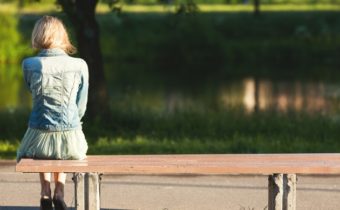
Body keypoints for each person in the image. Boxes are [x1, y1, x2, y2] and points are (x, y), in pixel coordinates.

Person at [16, 15, 89, 210]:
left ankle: (45, 191)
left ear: (37, 35)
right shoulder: (80, 65)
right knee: (63, 142)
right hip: (71, 141)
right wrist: (73, 123)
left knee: (44, 143)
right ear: (62, 36)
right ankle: (60, 191)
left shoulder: (28, 64)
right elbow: (81, 105)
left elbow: (33, 92)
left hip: (37, 138)